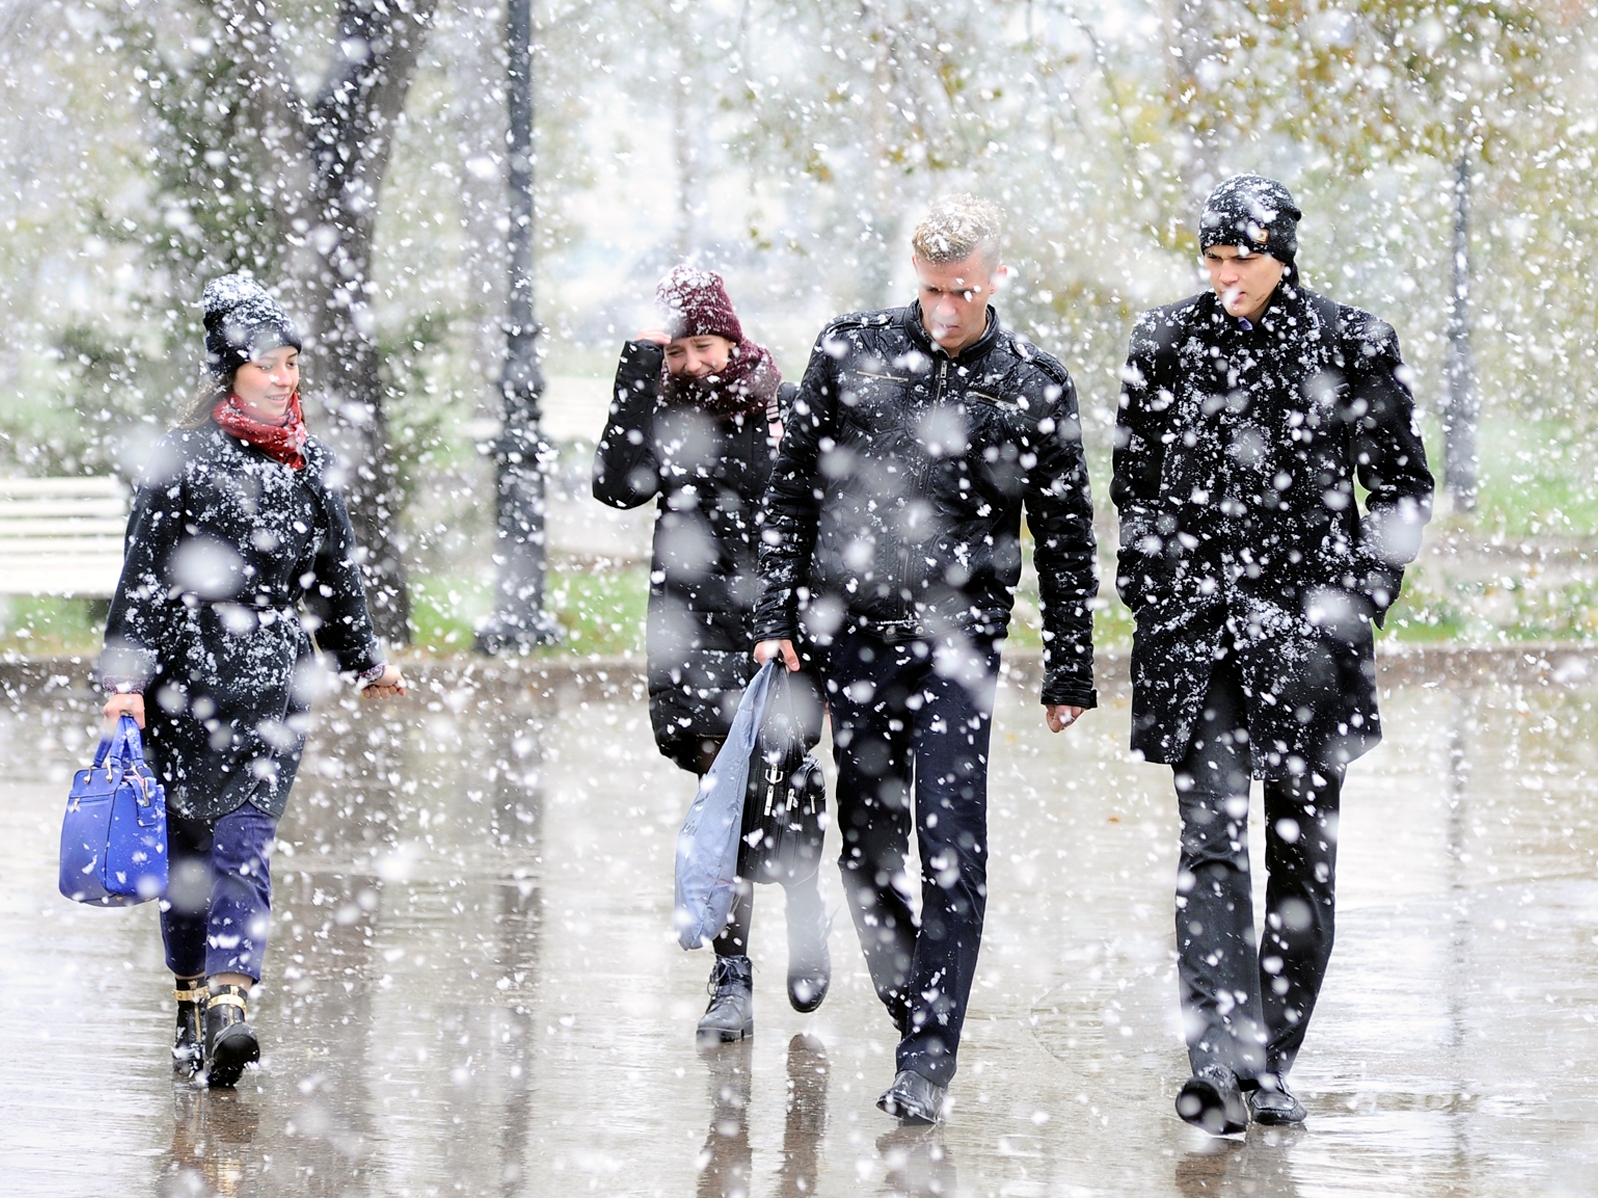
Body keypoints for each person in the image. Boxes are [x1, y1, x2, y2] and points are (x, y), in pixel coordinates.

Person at [752, 195, 1098, 1124]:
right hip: (850, 635)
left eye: (965, 290)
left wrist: (1071, 664)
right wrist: (774, 612)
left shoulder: (1033, 383)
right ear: (915, 275)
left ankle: (929, 1054)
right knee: (868, 855)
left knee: (953, 846)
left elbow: (1065, 533)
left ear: (996, 279)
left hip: (960, 645)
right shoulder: (848, 351)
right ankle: (918, 1005)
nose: (947, 310)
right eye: (933, 289)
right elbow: (790, 490)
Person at [1111, 174, 1434, 1133]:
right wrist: (1157, 589)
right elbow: (1135, 488)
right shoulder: (1164, 344)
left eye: (1239, 259)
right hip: (1201, 636)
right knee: (1211, 843)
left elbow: (1402, 493)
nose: (1223, 277)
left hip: (1311, 643)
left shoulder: (1353, 344)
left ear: (1282, 253)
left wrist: (1354, 609)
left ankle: (1270, 1063)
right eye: (1210, 259)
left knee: (1303, 856)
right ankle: (1216, 1061)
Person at [100, 274, 408, 1087]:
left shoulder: (310, 461)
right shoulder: (181, 460)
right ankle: (191, 996)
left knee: (244, 840)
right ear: (230, 369)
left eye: (292, 364)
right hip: (181, 676)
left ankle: (232, 1003)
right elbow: (141, 576)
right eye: (267, 364)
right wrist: (125, 679)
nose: (284, 378)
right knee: (187, 851)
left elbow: (335, 574)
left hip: (272, 681)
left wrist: (362, 657)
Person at [592, 266, 829, 1042]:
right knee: (723, 798)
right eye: (678, 352)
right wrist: (638, 364)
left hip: (778, 626)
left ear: (732, 338)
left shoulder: (786, 408)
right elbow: (617, 486)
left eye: (704, 346)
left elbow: (826, 514)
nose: (693, 364)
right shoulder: (663, 416)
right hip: (691, 632)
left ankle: (802, 903)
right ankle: (731, 977)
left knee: (782, 785)